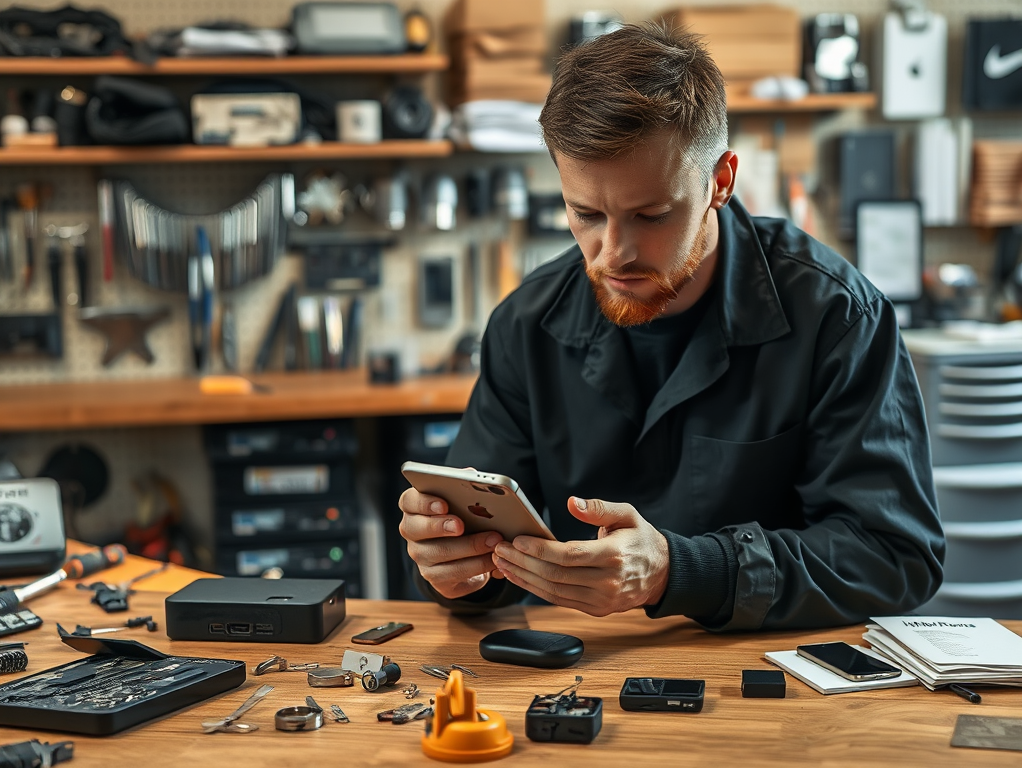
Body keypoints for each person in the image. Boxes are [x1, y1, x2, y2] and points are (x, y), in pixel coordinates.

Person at [398, 23, 944, 630]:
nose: (613, 254)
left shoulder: (837, 317)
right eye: (586, 214)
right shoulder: (525, 325)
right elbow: (479, 556)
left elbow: (896, 557)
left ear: (721, 182)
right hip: (587, 675)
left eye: (651, 214)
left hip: (783, 686)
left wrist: (679, 570)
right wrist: (452, 566)